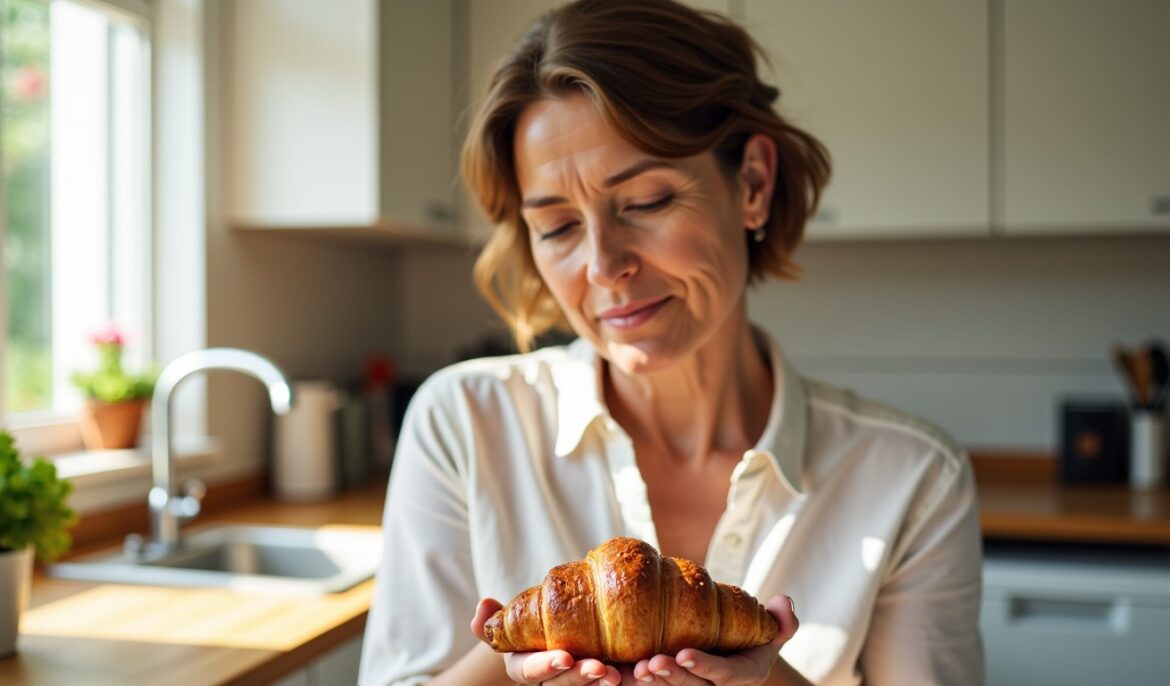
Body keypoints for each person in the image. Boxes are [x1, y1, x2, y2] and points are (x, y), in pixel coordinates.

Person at [359, 1, 983, 684]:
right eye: (559, 226)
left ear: (753, 184)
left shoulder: (912, 479)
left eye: (646, 202)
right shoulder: (464, 424)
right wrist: (521, 655)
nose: (603, 266)